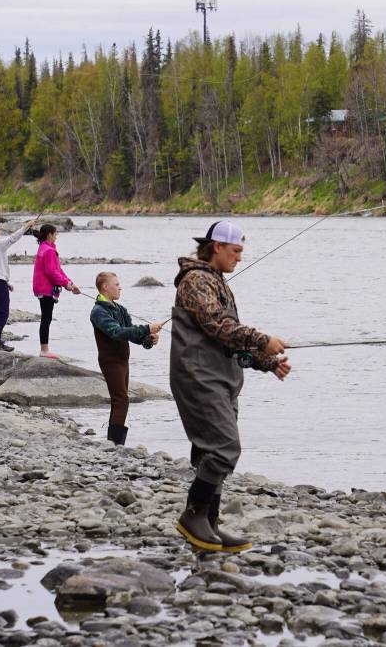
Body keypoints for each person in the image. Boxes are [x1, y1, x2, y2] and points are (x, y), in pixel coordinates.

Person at [169, 221, 291, 553]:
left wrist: (267, 361)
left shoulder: (215, 280)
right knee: (225, 447)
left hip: (218, 377)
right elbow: (218, 325)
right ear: (217, 247)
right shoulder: (195, 281)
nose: (239, 258)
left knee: (212, 450)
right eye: (236, 251)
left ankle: (209, 524)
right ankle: (193, 517)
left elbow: (226, 338)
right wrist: (263, 339)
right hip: (198, 376)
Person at [90, 272, 163, 445]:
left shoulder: (121, 309)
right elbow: (116, 332)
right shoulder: (98, 312)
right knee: (121, 400)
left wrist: (149, 338)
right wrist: (146, 328)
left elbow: (133, 336)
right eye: (116, 284)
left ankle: (112, 443)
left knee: (119, 400)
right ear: (105, 287)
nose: (120, 287)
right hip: (110, 361)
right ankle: (116, 444)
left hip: (123, 361)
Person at [0, 218, 36, 351]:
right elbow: (13, 238)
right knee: (3, 313)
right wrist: (26, 226)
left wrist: (7, 282)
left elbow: (0, 265)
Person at [31, 223, 80, 358]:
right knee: (46, 318)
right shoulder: (49, 251)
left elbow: (58, 270)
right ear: (49, 235)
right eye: (55, 234)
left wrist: (69, 283)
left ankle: (44, 349)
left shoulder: (44, 247)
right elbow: (52, 272)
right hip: (45, 288)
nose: (56, 237)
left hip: (41, 287)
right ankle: (44, 350)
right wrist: (67, 284)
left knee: (46, 317)